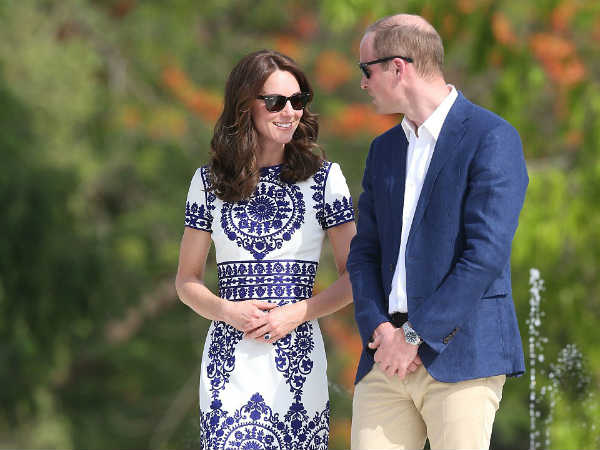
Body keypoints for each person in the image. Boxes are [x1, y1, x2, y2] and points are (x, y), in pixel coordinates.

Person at [347, 14, 529, 450]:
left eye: (365, 70)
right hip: (385, 359)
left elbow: (484, 256)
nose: (363, 84)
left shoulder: (492, 137)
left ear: (397, 67)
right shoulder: (383, 150)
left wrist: (415, 335)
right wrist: (380, 330)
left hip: (463, 355)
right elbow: (364, 253)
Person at [175, 49, 356, 450]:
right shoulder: (207, 183)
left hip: (298, 359)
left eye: (298, 100)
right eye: (275, 101)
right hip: (230, 361)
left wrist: (299, 312)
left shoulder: (326, 180)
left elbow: (355, 277)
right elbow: (186, 281)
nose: (289, 111)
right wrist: (226, 311)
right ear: (245, 108)